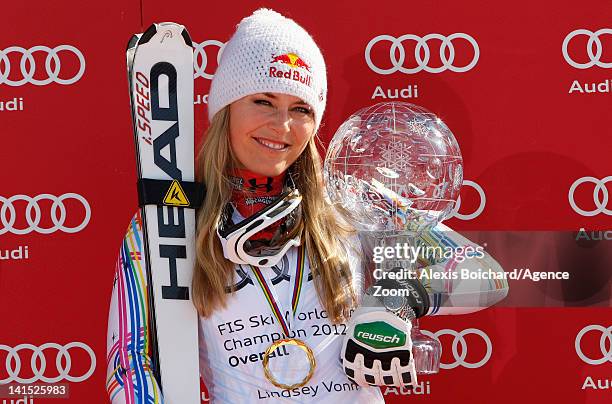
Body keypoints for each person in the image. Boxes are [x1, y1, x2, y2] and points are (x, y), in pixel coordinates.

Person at [106, 8, 508, 403]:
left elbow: (488, 275)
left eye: (301, 109)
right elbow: (129, 363)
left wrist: (397, 299)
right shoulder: (168, 225)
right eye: (263, 101)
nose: (281, 126)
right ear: (226, 109)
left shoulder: (354, 201)